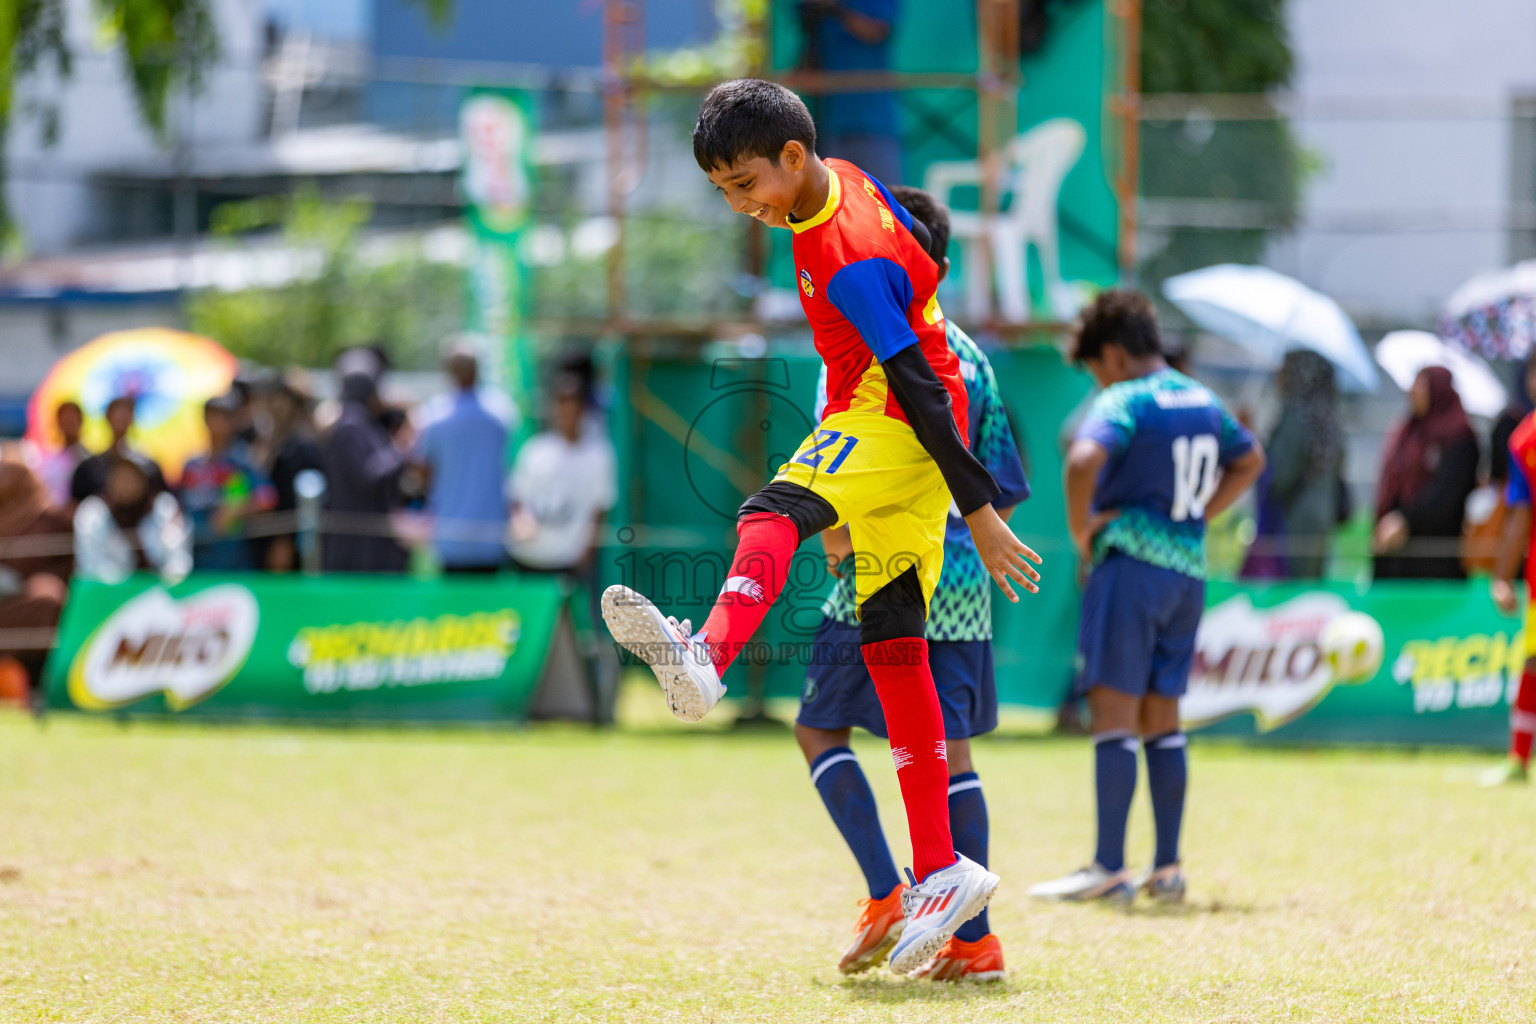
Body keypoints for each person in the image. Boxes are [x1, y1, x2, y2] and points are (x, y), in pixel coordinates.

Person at [602, 79, 1041, 974]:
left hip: (892, 419)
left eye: (745, 183)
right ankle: (940, 871)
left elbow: (917, 377)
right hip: (898, 429)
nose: (739, 204)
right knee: (894, 648)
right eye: (723, 189)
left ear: (792, 158)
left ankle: (707, 659)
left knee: (771, 509)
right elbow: (926, 282)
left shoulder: (845, 254)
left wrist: (981, 509)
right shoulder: (838, 180)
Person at [795, 186, 1029, 981]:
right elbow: (1000, 480)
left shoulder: (855, 336)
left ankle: (887, 894)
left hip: (880, 569)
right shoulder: (974, 358)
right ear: (938, 266)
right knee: (949, 754)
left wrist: (836, 530)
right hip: (964, 580)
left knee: (820, 729)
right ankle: (975, 941)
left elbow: (836, 474)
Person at [1031, 290, 1264, 904]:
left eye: (1095, 370)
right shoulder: (1201, 395)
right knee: (1164, 719)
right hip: (1187, 575)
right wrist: (1198, 516)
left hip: (1130, 569)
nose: (1098, 381)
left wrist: (1082, 532)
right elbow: (1251, 459)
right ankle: (1167, 868)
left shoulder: (1126, 398)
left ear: (1111, 354)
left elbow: (1083, 457)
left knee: (1112, 717)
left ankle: (1109, 866)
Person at [1373, 366, 1480, 580]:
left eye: (1422, 384)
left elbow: (1447, 496)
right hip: (1395, 558)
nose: (1413, 390)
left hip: (1436, 559)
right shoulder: (1407, 431)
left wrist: (1406, 520)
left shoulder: (1459, 437)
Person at [415, 346, 513, 574]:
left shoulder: (434, 416)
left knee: (454, 608)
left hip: (451, 538)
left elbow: (424, 471)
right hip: (492, 537)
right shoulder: (502, 412)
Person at [507, 367, 614, 575]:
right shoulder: (534, 450)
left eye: (571, 405)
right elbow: (517, 499)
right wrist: (522, 522)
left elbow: (599, 509)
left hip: (568, 561)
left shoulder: (599, 455)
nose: (565, 412)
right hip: (529, 558)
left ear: (582, 410)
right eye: (561, 404)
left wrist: (586, 553)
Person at [1250, 351, 1343, 579]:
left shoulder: (1296, 417)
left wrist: (1254, 444)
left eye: (1283, 371)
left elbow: (1278, 476)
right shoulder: (1330, 418)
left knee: (1290, 603)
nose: (1278, 378)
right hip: (1322, 522)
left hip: (1292, 526)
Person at [1485, 375, 1536, 785]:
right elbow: (1519, 514)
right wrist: (1502, 577)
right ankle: (1518, 759)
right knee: (1533, 664)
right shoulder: (1525, 441)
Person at [797, 0, 903, 185]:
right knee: (835, 206)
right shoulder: (817, 16)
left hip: (874, 126)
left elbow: (875, 29)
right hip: (829, 125)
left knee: (886, 203)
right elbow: (806, 64)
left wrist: (835, 6)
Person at [0, 459, 74, 703]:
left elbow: (69, 566)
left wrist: (48, 580)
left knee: (47, 600)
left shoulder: (52, 519)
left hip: (30, 603)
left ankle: (40, 687)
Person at [177, 393, 277, 571]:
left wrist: (235, 511)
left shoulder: (241, 461)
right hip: (194, 558)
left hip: (232, 557)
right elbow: (178, 503)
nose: (217, 422)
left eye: (223, 417)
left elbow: (267, 498)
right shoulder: (192, 465)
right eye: (212, 415)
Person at [321, 372, 410, 573]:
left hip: (365, 537)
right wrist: (399, 453)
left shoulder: (359, 423)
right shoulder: (351, 426)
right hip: (358, 541)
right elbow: (366, 477)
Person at [262, 372, 325, 572]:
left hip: (293, 540)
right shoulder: (272, 441)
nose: (273, 404)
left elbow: (303, 499)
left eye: (279, 398)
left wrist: (285, 540)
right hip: (268, 535)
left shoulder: (303, 445)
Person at [71, 395, 166, 503]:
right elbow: (77, 502)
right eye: (117, 414)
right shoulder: (90, 468)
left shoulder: (148, 466)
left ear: (132, 418)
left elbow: (161, 498)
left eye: (126, 414)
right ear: (107, 417)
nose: (121, 418)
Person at [36, 401, 89, 509]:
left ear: (80, 421)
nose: (68, 424)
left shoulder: (89, 459)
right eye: (65, 420)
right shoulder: (49, 459)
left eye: (72, 420)